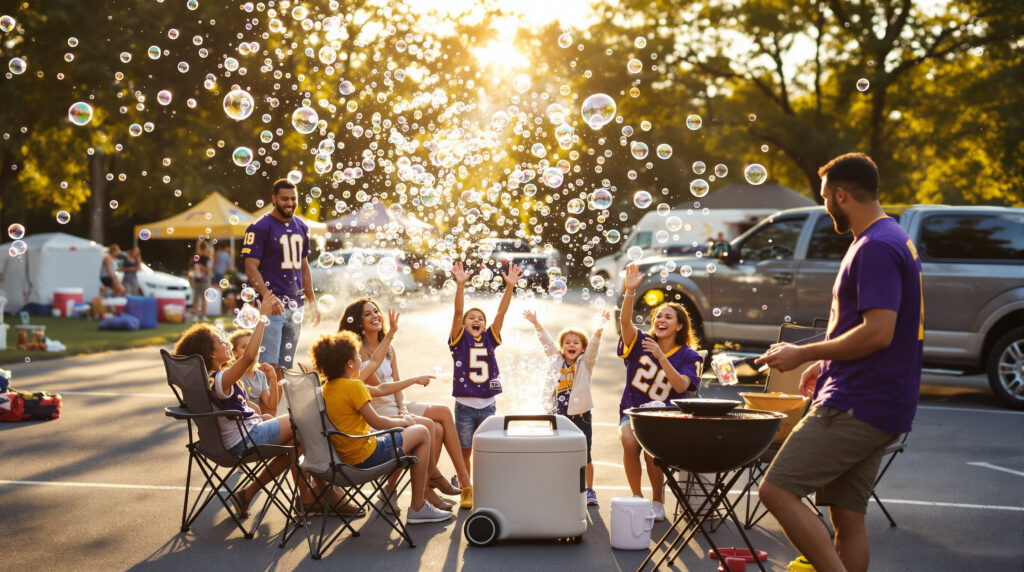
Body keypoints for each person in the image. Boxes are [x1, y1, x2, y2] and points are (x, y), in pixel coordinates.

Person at [755, 152, 921, 572]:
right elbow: (866, 327)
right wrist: (826, 364)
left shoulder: (875, 247)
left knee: (775, 491)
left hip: (856, 403)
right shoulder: (891, 237)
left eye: (827, 196)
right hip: (877, 400)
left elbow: (879, 331)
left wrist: (804, 352)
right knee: (847, 518)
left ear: (842, 195)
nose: (825, 205)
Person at [340, 297, 472, 510]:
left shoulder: (389, 349)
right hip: (378, 407)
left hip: (396, 403)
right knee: (434, 428)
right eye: (367, 314)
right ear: (359, 323)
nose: (375, 316)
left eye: (376, 311)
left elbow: (395, 384)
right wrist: (411, 384)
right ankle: (429, 486)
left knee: (444, 413)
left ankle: (464, 482)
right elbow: (382, 388)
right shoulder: (360, 353)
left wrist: (402, 405)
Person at [310, 330, 454, 524]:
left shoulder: (328, 388)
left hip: (344, 457)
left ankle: (425, 486)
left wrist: (412, 381)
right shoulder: (354, 387)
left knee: (420, 424)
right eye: (357, 355)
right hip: (365, 456)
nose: (361, 357)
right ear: (350, 364)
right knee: (422, 432)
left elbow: (380, 390)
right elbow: (377, 422)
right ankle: (418, 504)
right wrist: (403, 421)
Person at [172, 299, 292, 518]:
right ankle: (305, 498)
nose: (226, 342)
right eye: (221, 341)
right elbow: (248, 358)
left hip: (226, 442)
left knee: (295, 441)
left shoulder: (208, 380)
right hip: (244, 441)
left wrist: (256, 411)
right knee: (300, 421)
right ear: (211, 354)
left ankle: (248, 494)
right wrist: (263, 316)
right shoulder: (220, 380)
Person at [618, 263, 704, 521]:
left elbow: (681, 387)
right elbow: (624, 321)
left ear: (679, 326)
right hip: (633, 412)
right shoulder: (640, 341)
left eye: (668, 317)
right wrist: (630, 292)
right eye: (658, 316)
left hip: (668, 417)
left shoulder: (691, 356)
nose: (661, 320)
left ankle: (657, 500)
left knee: (649, 449)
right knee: (630, 441)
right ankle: (636, 497)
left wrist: (661, 357)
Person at [448, 260, 522, 501]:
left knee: (487, 450)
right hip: (465, 406)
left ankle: (487, 487)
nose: (475, 319)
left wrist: (509, 287)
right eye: (471, 317)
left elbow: (501, 313)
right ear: (464, 324)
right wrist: (460, 286)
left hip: (488, 404)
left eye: (479, 317)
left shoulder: (490, 338)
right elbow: (458, 312)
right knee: (465, 450)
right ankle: (466, 488)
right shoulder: (458, 341)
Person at [523, 307, 610, 506]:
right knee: (558, 452)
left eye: (576, 343)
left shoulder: (585, 362)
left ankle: (589, 490)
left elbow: (594, 347)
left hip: (580, 416)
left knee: (585, 454)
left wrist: (599, 329)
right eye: (567, 342)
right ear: (562, 346)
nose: (571, 345)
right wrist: (536, 323)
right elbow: (546, 342)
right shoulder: (557, 359)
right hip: (557, 416)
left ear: (582, 348)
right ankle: (560, 485)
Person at [242, 179, 321, 376]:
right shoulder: (260, 226)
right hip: (271, 308)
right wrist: (268, 297)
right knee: (269, 366)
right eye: (284, 199)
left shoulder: (301, 226)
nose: (290, 203)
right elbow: (251, 268)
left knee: (285, 367)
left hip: (296, 306)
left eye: (293, 199)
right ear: (274, 199)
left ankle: (274, 407)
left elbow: (303, 267)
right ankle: (267, 407)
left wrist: (312, 300)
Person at [228, 329, 281, 418]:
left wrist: (273, 378)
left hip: (256, 417)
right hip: (241, 419)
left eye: (254, 346)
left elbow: (271, 405)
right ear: (235, 353)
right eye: (245, 347)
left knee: (271, 416)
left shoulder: (260, 375)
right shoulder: (234, 375)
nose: (251, 350)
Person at [189, 242, 213, 321]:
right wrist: (191, 281)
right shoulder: (195, 258)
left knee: (203, 299)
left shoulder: (208, 258)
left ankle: (203, 316)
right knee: (196, 299)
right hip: (197, 281)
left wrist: (201, 267)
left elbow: (208, 270)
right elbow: (190, 271)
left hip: (204, 281)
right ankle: (196, 316)